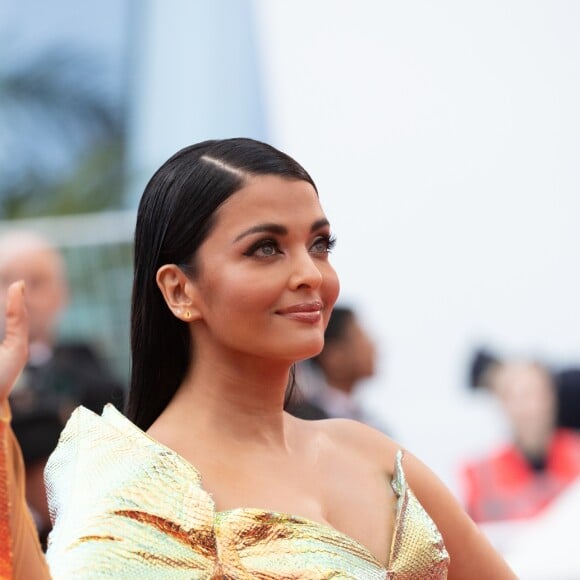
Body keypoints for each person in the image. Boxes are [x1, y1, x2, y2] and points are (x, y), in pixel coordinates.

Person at [1, 138, 515, 578]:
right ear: (180, 290)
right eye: (266, 248)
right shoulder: (132, 488)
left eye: (320, 243)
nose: (310, 274)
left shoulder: (370, 454)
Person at [463, 360, 580, 523]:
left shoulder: (576, 454)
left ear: (551, 397)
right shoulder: (479, 475)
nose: (528, 407)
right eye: (516, 397)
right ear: (503, 404)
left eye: (534, 394)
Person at [289, 305, 390, 433]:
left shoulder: (372, 423)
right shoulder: (306, 421)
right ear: (334, 356)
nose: (372, 346)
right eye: (360, 337)